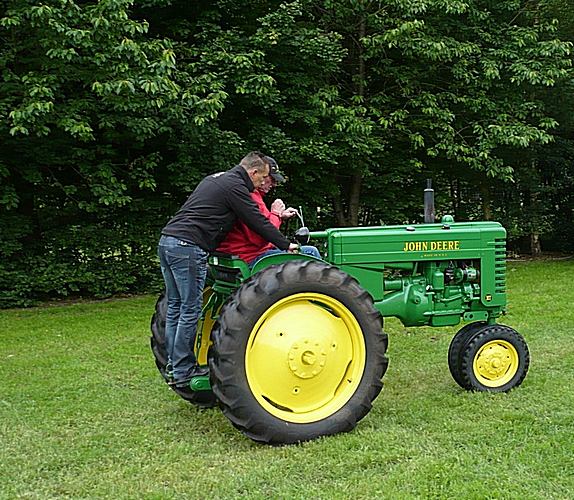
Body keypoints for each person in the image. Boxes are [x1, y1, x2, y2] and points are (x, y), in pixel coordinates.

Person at [157, 152, 298, 388]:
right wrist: (286, 245)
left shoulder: (216, 178)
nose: (262, 183)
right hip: (188, 247)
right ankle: (182, 370)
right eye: (262, 177)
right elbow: (257, 221)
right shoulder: (236, 187)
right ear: (253, 172)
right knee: (189, 309)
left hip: (168, 241)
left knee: (175, 307)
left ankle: (174, 365)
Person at [217, 157, 321, 265]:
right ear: (259, 174)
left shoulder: (241, 193)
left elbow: (260, 223)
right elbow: (261, 236)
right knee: (310, 252)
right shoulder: (250, 197)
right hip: (249, 257)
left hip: (237, 254)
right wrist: (276, 214)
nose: (274, 184)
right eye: (272, 179)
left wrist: (280, 216)